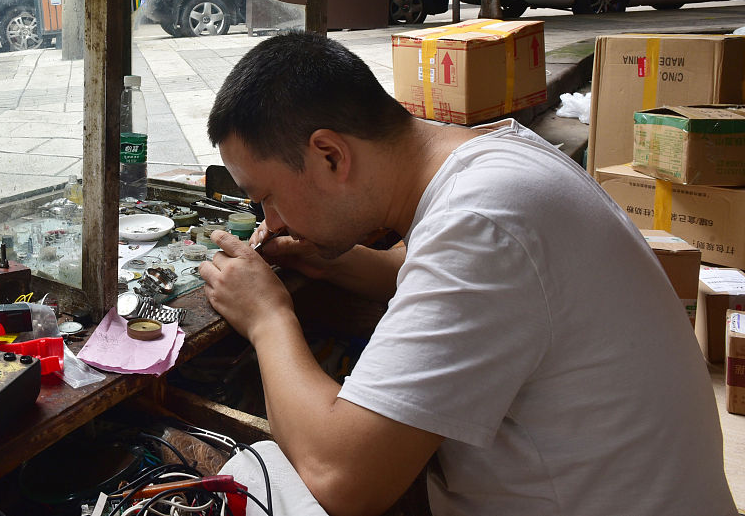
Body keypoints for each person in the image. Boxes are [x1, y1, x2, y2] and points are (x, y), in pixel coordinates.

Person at [198, 32, 734, 516]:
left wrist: (267, 316)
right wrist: (325, 258)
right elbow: (426, 272)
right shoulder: (495, 161)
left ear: (330, 156)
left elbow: (342, 479)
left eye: (265, 198)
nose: (269, 221)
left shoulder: (483, 221)